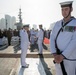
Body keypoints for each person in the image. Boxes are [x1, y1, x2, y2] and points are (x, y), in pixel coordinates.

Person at [50, 1, 76, 75]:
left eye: (66, 9)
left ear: (71, 9)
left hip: (70, 59)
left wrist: (63, 56)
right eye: (62, 10)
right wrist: (54, 54)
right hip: (57, 58)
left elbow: (74, 41)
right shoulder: (57, 24)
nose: (64, 12)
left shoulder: (74, 23)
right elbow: (52, 38)